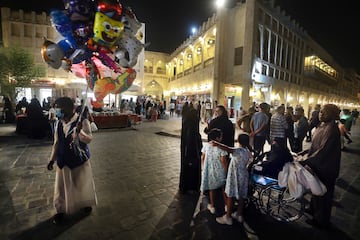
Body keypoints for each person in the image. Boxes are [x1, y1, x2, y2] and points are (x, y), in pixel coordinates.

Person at [47, 97, 97, 224]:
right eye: (56, 107)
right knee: (61, 187)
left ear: (70, 109)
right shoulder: (59, 123)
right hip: (63, 160)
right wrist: (52, 159)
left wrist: (80, 132)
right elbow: (56, 142)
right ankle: (60, 210)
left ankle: (85, 202)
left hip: (79, 159)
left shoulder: (82, 121)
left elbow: (89, 139)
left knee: (82, 184)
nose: (57, 110)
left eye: (60, 107)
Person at [299, 104, 341, 229]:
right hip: (318, 165)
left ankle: (321, 220)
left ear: (332, 115)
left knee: (324, 195)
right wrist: (304, 153)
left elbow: (323, 150)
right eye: (320, 112)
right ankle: (313, 209)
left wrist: (306, 161)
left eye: (324, 112)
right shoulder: (322, 126)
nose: (320, 114)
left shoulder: (332, 129)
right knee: (315, 190)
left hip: (326, 167)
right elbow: (314, 146)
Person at [211, 134, 253, 225]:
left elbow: (227, 148)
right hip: (244, 176)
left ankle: (228, 217)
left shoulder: (238, 151)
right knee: (242, 195)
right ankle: (239, 215)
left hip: (235, 175)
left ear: (239, 141)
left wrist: (217, 144)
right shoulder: (248, 151)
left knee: (231, 195)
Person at [200, 129, 228, 215]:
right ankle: (227, 205)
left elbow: (202, 157)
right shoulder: (221, 147)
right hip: (220, 170)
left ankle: (212, 206)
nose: (222, 138)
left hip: (210, 170)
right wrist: (226, 171)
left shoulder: (206, 146)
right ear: (217, 138)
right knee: (224, 188)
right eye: (221, 136)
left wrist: (203, 167)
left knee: (212, 189)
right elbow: (223, 161)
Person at [179, 104, 203, 194]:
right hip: (191, 153)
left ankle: (185, 186)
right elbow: (192, 140)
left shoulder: (186, 123)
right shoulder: (192, 126)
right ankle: (191, 187)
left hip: (186, 151)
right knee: (191, 170)